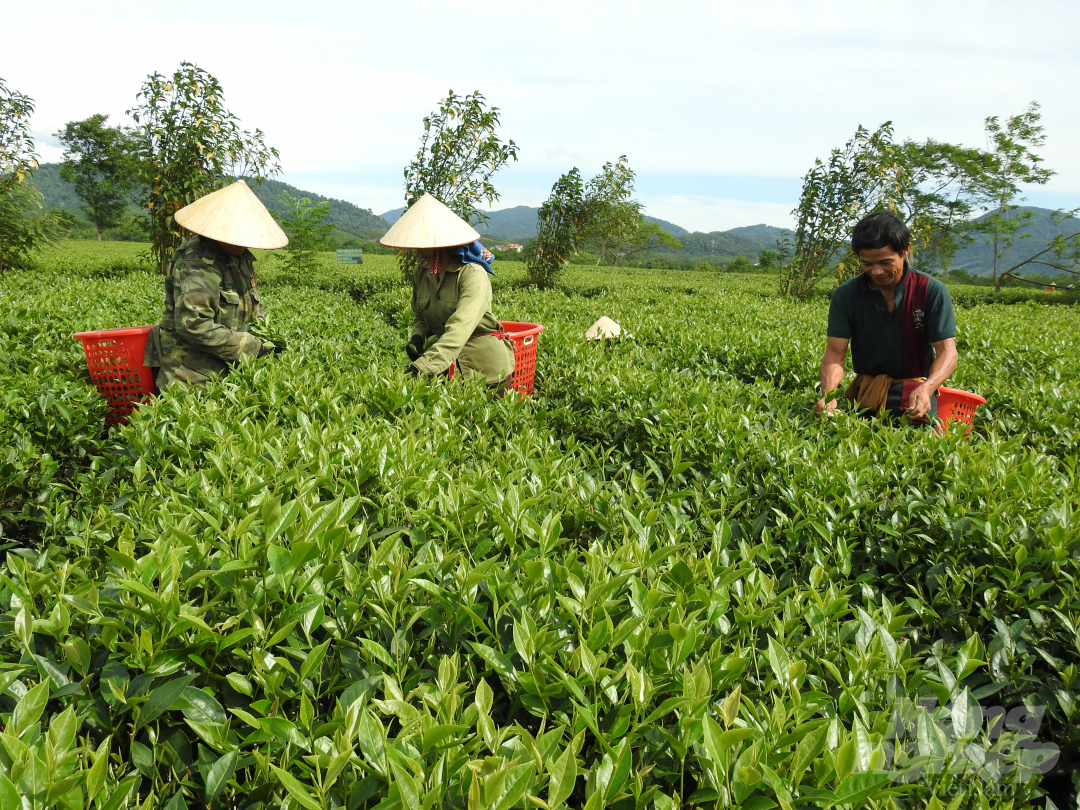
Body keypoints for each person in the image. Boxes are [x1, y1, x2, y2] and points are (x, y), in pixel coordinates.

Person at [813, 211, 958, 426]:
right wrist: (828, 396)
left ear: (905, 250)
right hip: (868, 391)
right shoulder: (847, 294)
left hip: (914, 391)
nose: (877, 271)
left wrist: (927, 388)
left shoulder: (929, 289)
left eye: (885, 262)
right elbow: (835, 354)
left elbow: (947, 351)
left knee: (920, 446)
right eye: (867, 263)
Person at [144, 180, 289, 390]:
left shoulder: (242, 259)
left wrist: (267, 340)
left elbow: (252, 312)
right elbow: (194, 325)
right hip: (191, 377)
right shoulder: (198, 262)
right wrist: (253, 347)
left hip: (228, 369)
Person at [380, 193, 515, 390]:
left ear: (440, 246)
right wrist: (417, 337)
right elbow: (420, 315)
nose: (417, 251)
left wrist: (422, 368)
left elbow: (460, 327)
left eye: (423, 245)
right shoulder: (421, 270)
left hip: (486, 372)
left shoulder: (472, 273)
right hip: (447, 368)